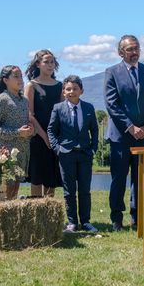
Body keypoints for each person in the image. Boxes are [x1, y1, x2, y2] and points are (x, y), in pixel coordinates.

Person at [104, 35, 144, 231]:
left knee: (141, 178)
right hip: (120, 136)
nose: (134, 52)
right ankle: (116, 218)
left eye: (136, 48)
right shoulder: (112, 72)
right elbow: (112, 104)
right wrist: (130, 127)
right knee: (118, 178)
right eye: (129, 49)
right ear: (121, 52)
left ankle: (139, 217)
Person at [48, 75, 99, 233]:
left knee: (84, 189)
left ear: (81, 91)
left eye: (75, 89)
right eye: (68, 89)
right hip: (66, 154)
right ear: (63, 92)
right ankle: (72, 223)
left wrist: (93, 148)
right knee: (69, 190)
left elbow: (95, 130)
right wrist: (57, 149)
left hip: (85, 154)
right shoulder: (58, 108)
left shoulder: (89, 108)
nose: (71, 92)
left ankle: (86, 222)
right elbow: (51, 130)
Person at [0, 65, 34, 199]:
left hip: (21, 152)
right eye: (16, 76)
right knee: (5, 194)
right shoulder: (1, 100)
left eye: (21, 76)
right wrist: (17, 132)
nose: (20, 79)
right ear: (5, 80)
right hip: (5, 154)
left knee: (14, 193)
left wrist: (31, 129)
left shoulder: (24, 101)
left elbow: (24, 124)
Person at [24, 49, 63, 197]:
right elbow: (29, 114)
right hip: (37, 137)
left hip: (55, 136)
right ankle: (36, 215)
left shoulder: (60, 86)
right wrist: (45, 137)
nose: (50, 65)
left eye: (52, 62)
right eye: (46, 62)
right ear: (38, 64)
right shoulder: (31, 85)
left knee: (51, 177)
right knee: (37, 177)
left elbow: (62, 112)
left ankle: (49, 216)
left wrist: (53, 137)